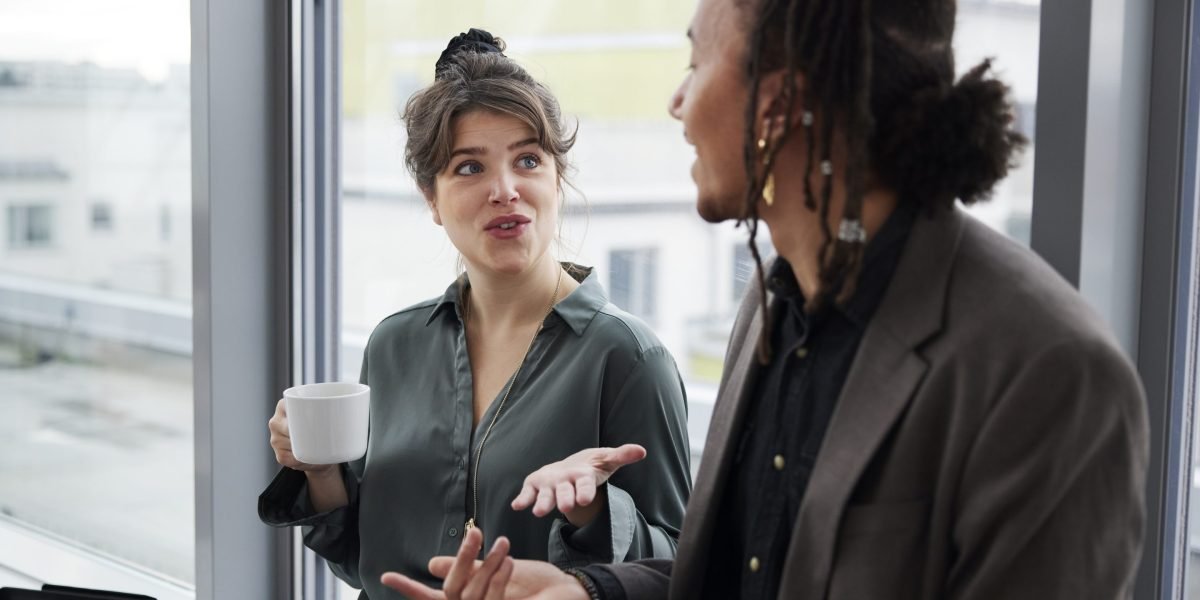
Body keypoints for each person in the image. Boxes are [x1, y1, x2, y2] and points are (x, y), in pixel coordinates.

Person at [381, 0, 1150, 598]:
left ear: (775, 108)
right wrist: (588, 590)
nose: (679, 102)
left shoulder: (1051, 374)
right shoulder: (773, 303)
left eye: (697, 62)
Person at [258, 29, 692, 599]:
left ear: (557, 180)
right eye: (469, 168)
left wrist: (594, 515)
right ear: (431, 198)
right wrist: (317, 472)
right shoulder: (395, 345)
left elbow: (681, 571)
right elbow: (366, 560)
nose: (505, 190)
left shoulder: (629, 358)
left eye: (528, 160)